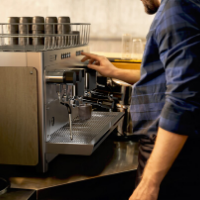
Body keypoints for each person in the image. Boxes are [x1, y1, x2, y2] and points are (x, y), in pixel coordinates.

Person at [81, 0, 200, 199]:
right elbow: (167, 76)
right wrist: (114, 72)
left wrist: (150, 182)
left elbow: (183, 95)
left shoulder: (176, 9)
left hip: (169, 150)